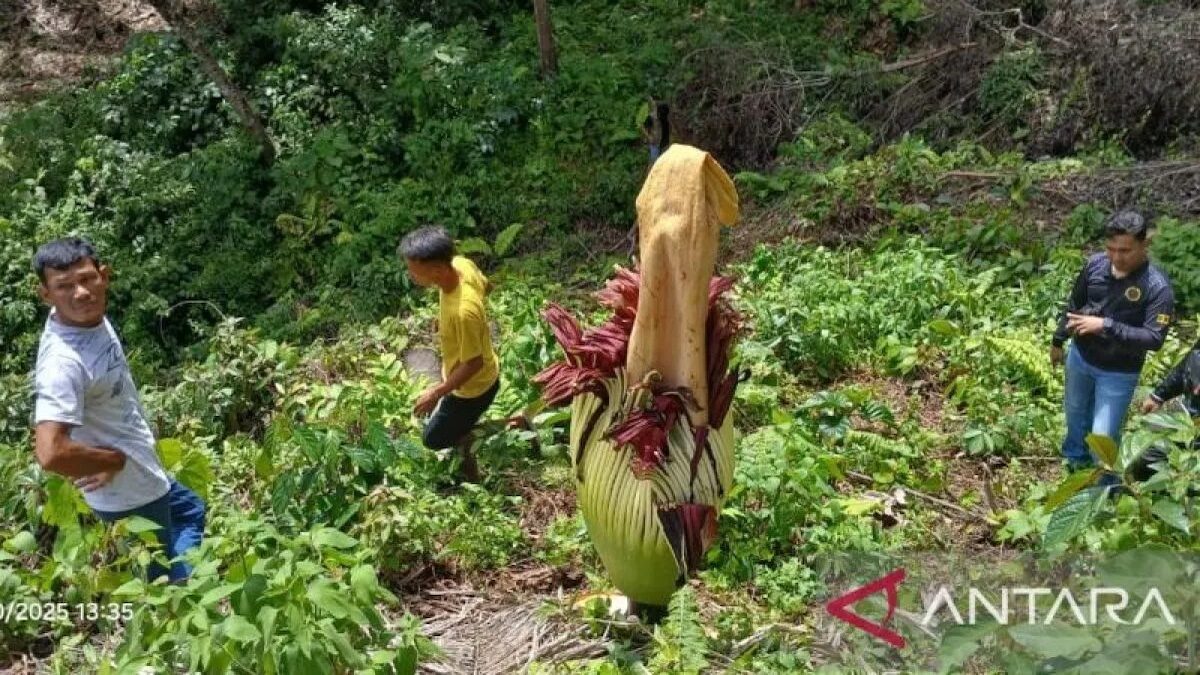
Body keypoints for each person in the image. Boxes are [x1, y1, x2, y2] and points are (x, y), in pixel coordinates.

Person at [31, 237, 205, 582]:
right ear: (46, 295)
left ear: (104, 275)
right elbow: (50, 452)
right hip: (127, 491)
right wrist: (113, 461)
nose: (80, 293)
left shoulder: (86, 319)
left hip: (143, 468)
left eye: (86, 279)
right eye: (64, 286)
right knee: (163, 578)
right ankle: (186, 606)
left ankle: (187, 586)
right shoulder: (63, 363)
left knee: (191, 511)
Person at [1051, 210, 1175, 478]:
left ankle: (1105, 488)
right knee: (1075, 416)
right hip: (1081, 358)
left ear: (1144, 245)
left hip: (1119, 372)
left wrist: (1105, 325)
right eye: (1111, 249)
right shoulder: (1095, 265)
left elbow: (1154, 338)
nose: (1116, 257)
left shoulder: (1156, 287)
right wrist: (1058, 339)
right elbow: (1075, 304)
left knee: (1103, 437)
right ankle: (1073, 469)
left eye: (1125, 251)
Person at [399, 226, 501, 483]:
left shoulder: (463, 311)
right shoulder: (461, 265)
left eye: (414, 270)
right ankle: (463, 433)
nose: (410, 275)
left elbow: (473, 363)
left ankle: (512, 425)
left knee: (433, 438)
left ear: (437, 270)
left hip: (473, 389)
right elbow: (485, 287)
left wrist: (436, 392)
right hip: (472, 372)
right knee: (445, 428)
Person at [1132, 347, 1200, 481]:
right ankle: (1142, 494)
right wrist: (1159, 395)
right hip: (1188, 417)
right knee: (1148, 457)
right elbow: (1187, 365)